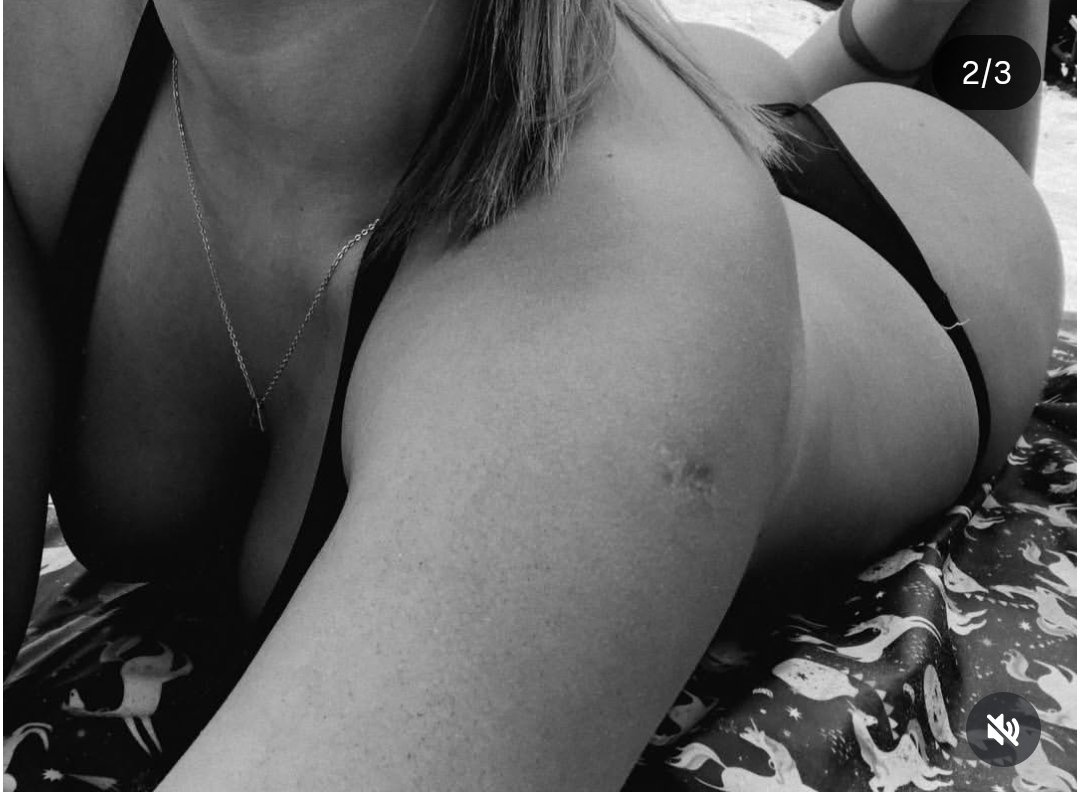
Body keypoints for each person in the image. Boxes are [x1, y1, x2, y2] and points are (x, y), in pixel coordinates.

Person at [3, 0, 1063, 788]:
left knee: (903, 82)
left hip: (897, 237)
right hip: (580, 80)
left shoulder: (624, 306)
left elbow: (630, 295)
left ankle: (894, 29)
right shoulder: (44, 57)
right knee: (752, 88)